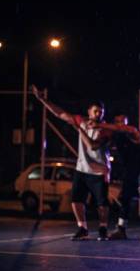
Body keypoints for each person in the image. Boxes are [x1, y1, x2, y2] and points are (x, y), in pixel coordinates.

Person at [32, 85, 112, 241]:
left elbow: (93, 145)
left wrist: (79, 129)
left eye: (101, 112)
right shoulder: (80, 120)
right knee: (76, 200)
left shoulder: (106, 129)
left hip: (99, 171)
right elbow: (59, 113)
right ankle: (82, 228)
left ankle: (103, 228)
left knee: (101, 203)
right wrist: (42, 100)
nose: (98, 114)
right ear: (89, 111)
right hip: (81, 169)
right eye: (95, 111)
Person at [90, 115, 140, 243]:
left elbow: (125, 129)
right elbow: (94, 146)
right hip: (130, 170)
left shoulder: (134, 132)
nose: (120, 125)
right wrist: (79, 128)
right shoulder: (115, 136)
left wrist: (100, 125)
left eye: (122, 122)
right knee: (125, 198)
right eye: (117, 122)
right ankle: (121, 229)